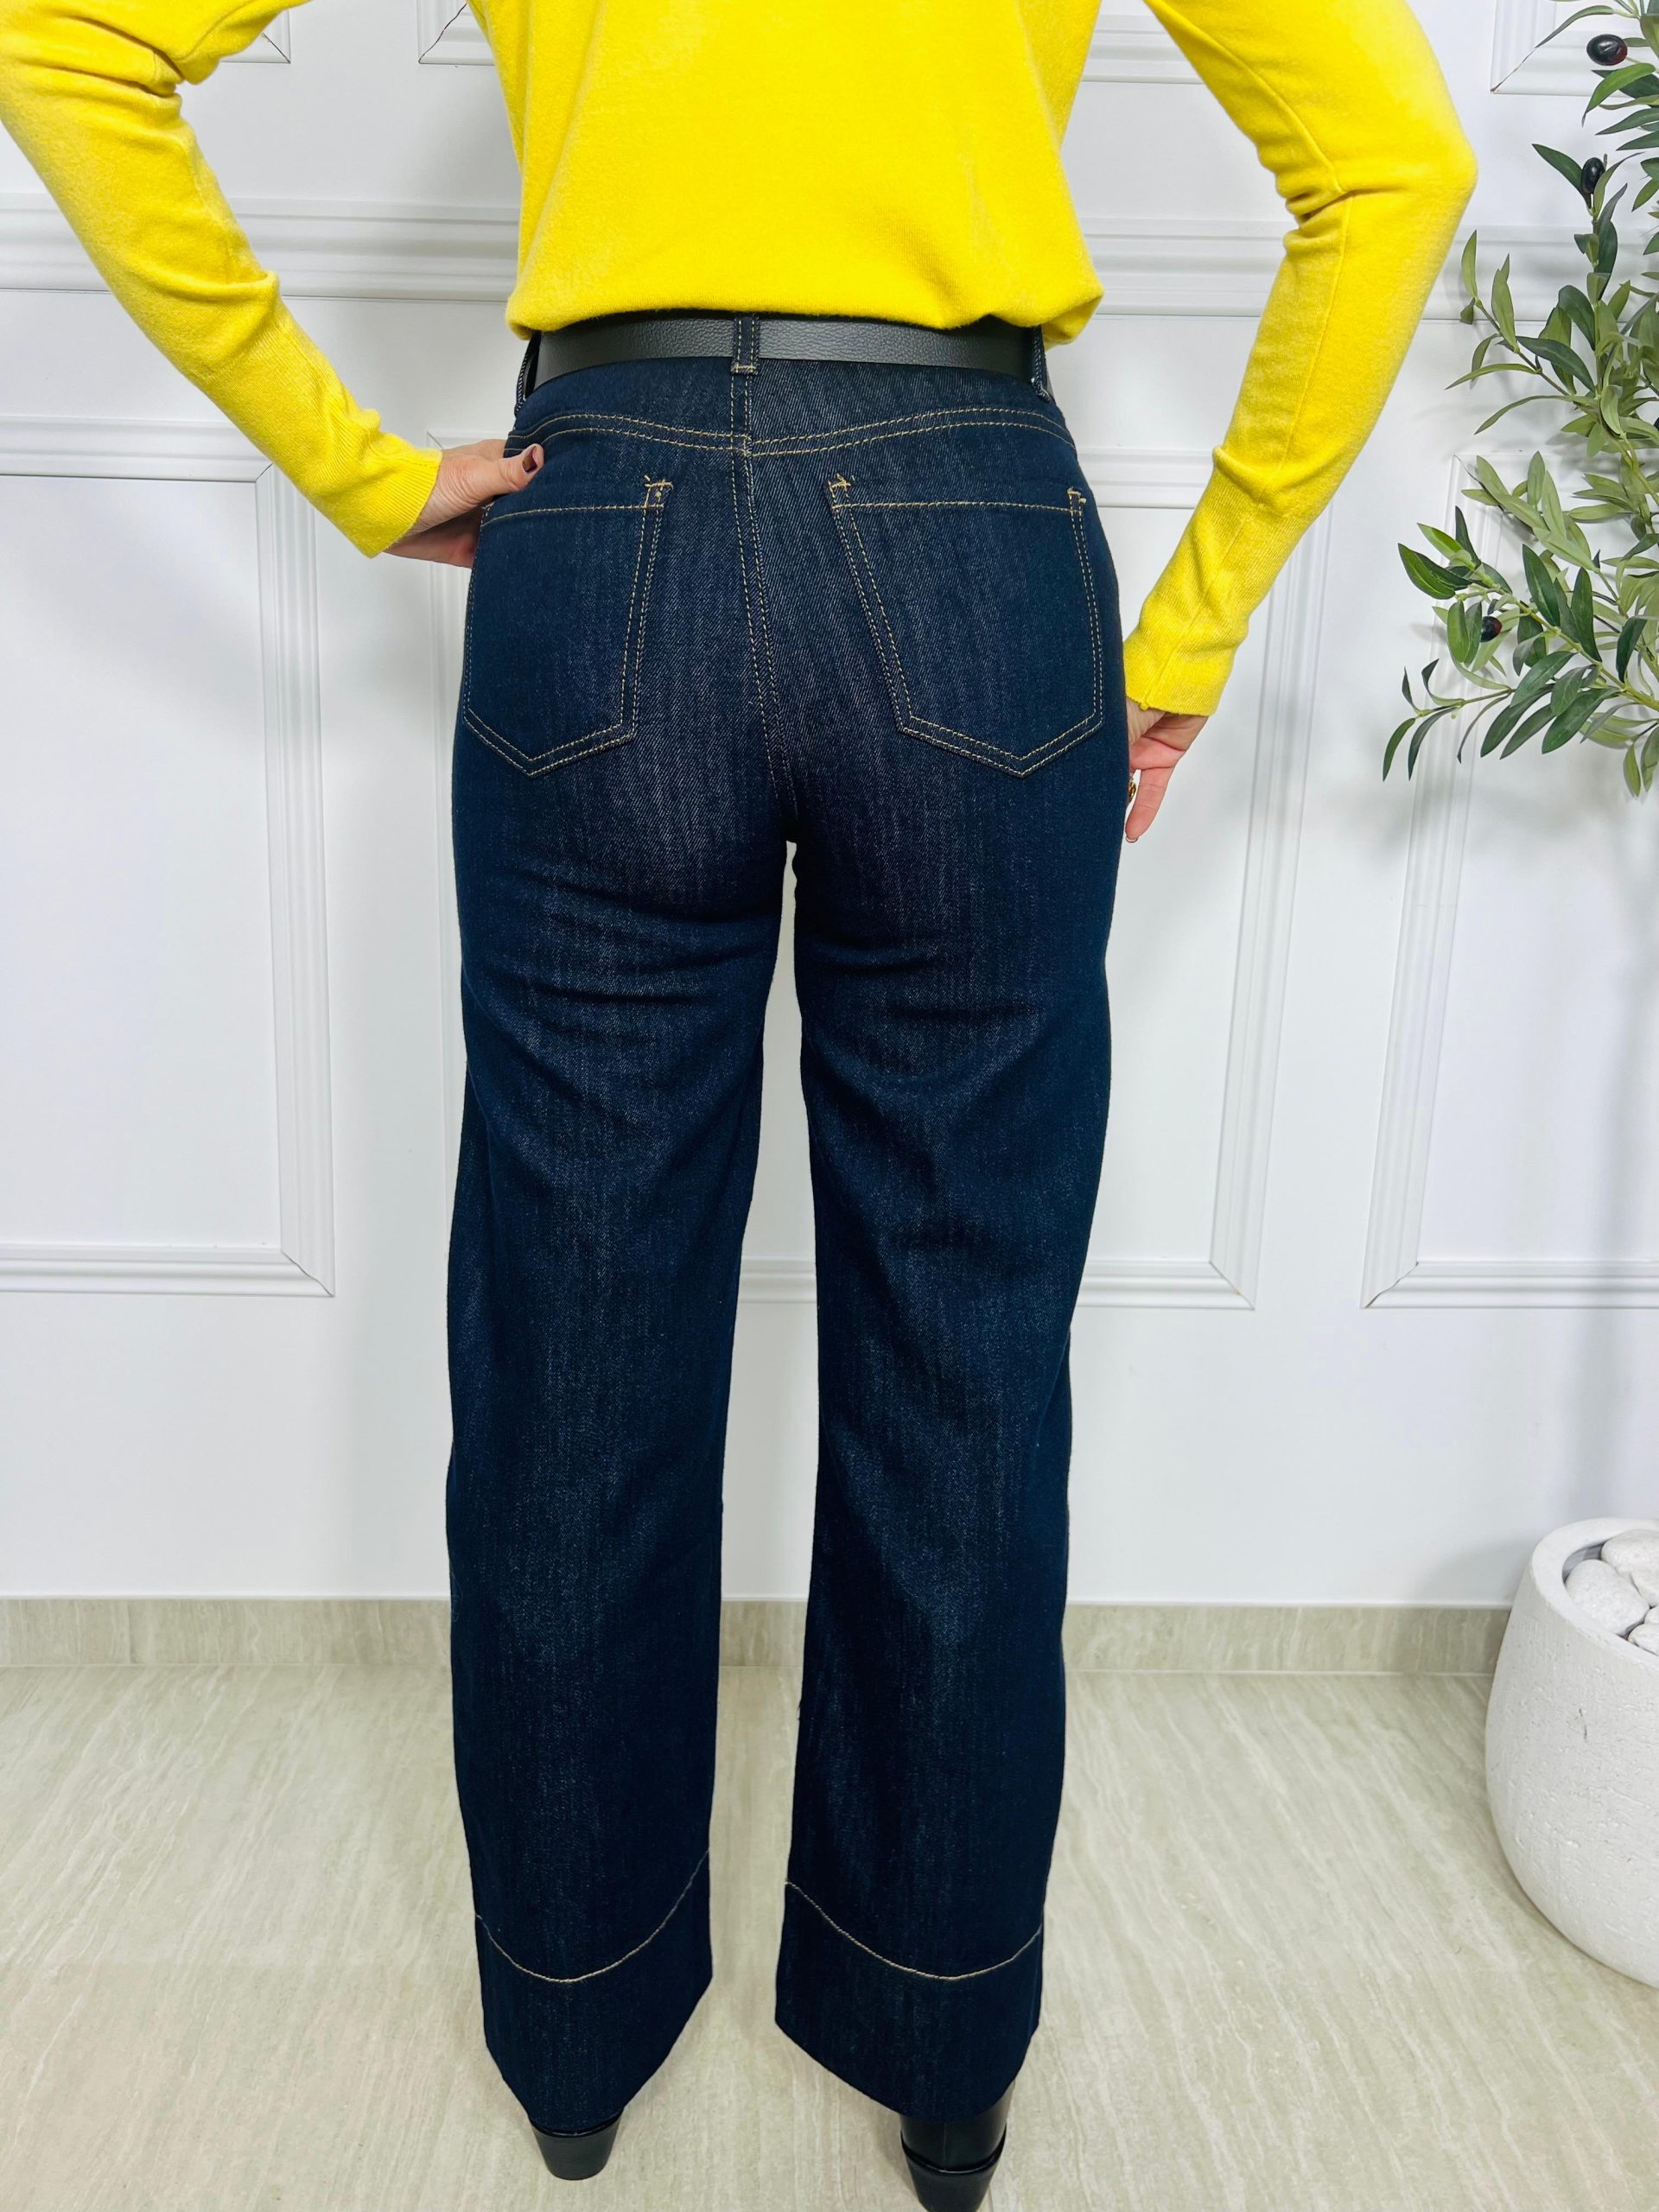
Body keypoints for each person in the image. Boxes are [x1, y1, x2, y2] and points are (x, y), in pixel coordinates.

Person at [0, 1, 1475, 2201]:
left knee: (573, 1338)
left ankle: (573, 2032)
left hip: (603, 528)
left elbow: (68, 41)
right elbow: (1398, 160)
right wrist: (1192, 621)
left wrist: (354, 465)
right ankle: (944, 2047)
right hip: (974, 536)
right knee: (965, 1344)